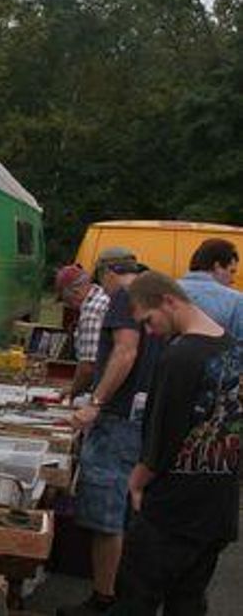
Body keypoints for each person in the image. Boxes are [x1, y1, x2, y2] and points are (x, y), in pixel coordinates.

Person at [117, 271, 241, 614]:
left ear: (169, 301)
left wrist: (137, 482)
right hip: (217, 508)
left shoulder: (179, 357)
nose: (149, 331)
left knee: (134, 600)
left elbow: (161, 436)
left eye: (149, 319)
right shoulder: (234, 348)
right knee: (187, 603)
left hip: (172, 512)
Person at [58, 247, 163, 616]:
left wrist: (96, 403)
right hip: (140, 418)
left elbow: (124, 352)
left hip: (118, 419)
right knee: (125, 510)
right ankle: (123, 593)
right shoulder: (153, 295)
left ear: (106, 272)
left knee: (105, 513)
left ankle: (103, 599)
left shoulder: (122, 296)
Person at [55, 264, 110, 399]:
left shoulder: (91, 311)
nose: (69, 306)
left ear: (76, 293)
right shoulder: (103, 296)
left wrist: (72, 390)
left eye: (67, 301)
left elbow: (89, 366)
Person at [179, 238, 242, 341]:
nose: (232, 280)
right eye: (232, 271)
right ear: (217, 266)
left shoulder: (167, 292)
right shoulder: (235, 300)